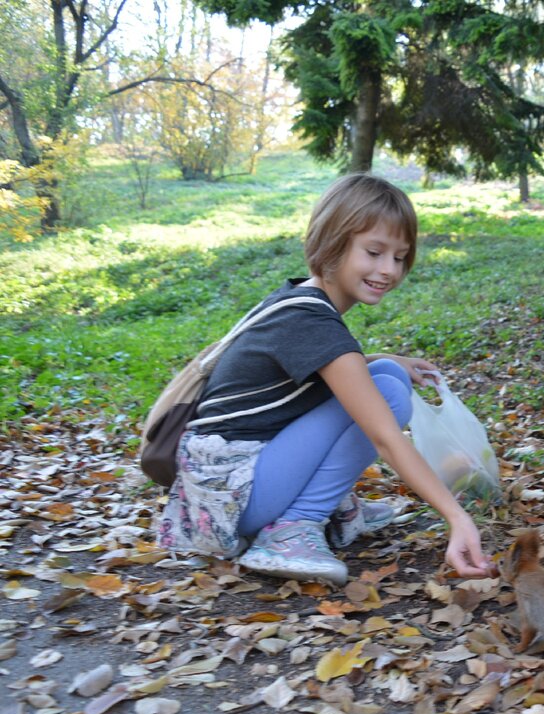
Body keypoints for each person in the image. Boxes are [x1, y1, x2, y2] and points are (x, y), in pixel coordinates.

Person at [154, 173, 494, 585]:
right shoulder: (311, 321)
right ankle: (293, 528)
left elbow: (322, 371)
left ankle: (323, 506)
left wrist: (385, 357)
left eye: (400, 257)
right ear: (333, 243)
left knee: (384, 373)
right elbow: (385, 435)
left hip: (221, 490)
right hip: (230, 498)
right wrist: (456, 517)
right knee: (384, 391)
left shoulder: (298, 302)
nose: (388, 270)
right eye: (374, 252)